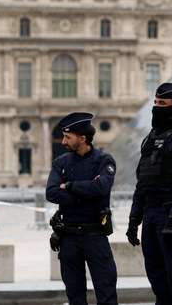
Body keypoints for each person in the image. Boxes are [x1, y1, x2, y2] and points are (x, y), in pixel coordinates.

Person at [126, 83, 172, 305]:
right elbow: (143, 182)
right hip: (151, 214)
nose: (157, 107)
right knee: (156, 276)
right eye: (156, 103)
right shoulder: (150, 138)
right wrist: (134, 219)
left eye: (163, 104)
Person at [46, 112, 118, 305]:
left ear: (82, 138)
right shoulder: (61, 163)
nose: (62, 142)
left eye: (67, 137)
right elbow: (51, 193)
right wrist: (87, 192)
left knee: (106, 293)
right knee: (74, 295)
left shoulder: (104, 160)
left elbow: (101, 187)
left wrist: (70, 186)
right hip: (68, 237)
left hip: (95, 235)